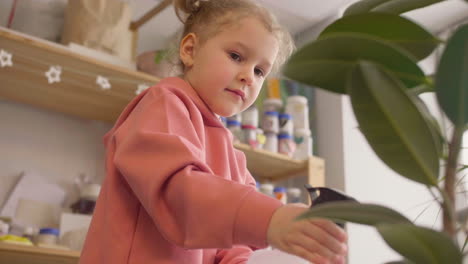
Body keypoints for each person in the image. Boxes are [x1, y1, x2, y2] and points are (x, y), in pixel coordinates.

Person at [79, 0, 348, 263]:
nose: (248, 77)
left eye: (259, 71)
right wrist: (270, 219)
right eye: (236, 56)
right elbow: (180, 195)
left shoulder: (233, 158)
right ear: (190, 50)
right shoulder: (163, 104)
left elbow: (231, 243)